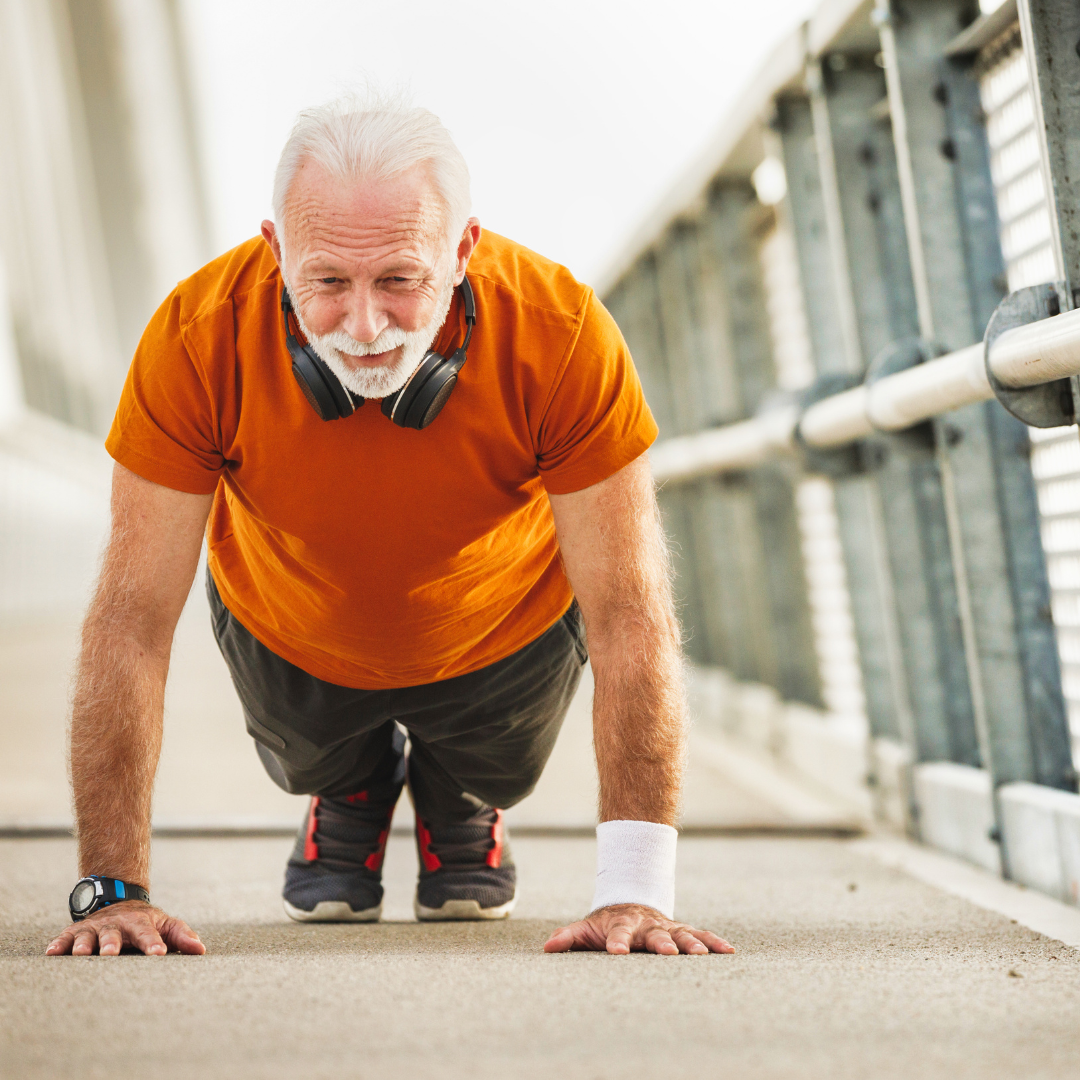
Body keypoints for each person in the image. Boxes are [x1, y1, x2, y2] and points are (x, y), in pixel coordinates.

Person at [46, 95, 734, 959]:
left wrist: (636, 893)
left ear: (463, 253)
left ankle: (460, 792)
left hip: (501, 632)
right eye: (326, 282)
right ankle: (347, 786)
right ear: (275, 252)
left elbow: (631, 611)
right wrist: (111, 892)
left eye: (401, 281)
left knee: (496, 766)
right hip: (289, 625)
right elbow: (131, 620)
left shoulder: (562, 336)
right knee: (316, 757)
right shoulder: (195, 337)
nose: (365, 329)